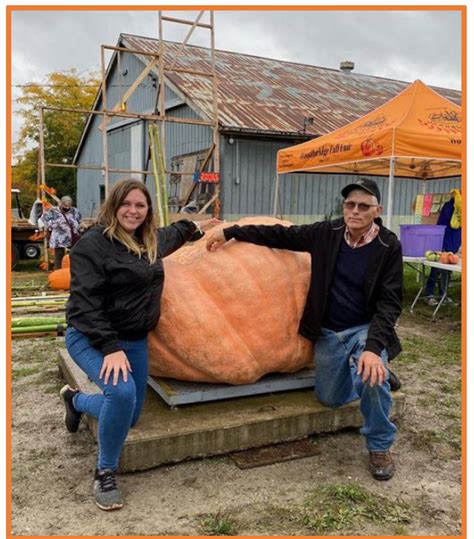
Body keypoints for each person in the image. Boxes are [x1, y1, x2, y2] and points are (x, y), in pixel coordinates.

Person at [206, 177, 403, 481]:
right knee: (330, 398)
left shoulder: (388, 246)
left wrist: (374, 350)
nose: (355, 211)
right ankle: (373, 372)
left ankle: (378, 445)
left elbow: (389, 304)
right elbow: (281, 235)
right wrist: (230, 231)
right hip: (328, 333)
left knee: (372, 380)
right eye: (350, 204)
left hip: (365, 329)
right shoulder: (327, 232)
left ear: (377, 210)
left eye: (364, 206)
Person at [60, 178, 219, 511]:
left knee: (129, 416)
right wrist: (109, 346)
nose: (133, 211)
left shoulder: (149, 242)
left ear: (148, 212)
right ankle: (105, 471)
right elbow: (82, 305)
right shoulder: (93, 245)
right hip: (93, 337)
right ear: (114, 206)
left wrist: (198, 226)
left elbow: (174, 234)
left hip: (134, 340)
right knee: (121, 394)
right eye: (126, 204)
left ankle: (76, 401)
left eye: (140, 205)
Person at [424, 189, 462, 306]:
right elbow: (447, 225)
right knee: (436, 270)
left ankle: (443, 294)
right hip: (443, 241)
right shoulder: (449, 207)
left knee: (447, 271)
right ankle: (429, 294)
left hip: (454, 243)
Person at [43, 195, 82, 270]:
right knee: (59, 256)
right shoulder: (53, 210)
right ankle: (58, 272)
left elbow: (79, 221)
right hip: (59, 238)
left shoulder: (75, 211)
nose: (67, 208)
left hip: (72, 237)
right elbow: (44, 220)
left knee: (74, 255)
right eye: (65, 206)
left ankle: (73, 271)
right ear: (60, 203)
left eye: (69, 206)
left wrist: (79, 227)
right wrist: (54, 224)